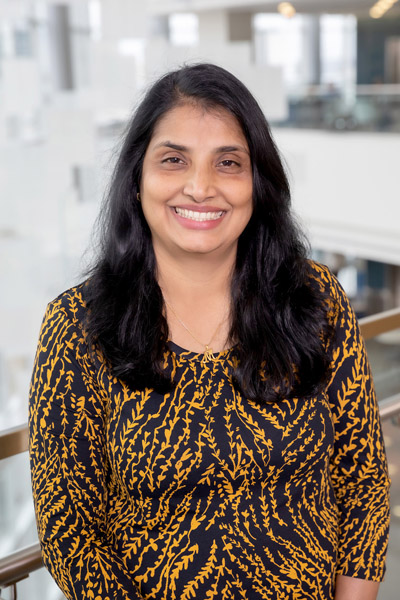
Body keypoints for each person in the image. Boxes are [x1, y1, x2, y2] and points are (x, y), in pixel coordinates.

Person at [29, 63, 390, 600]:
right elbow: (72, 534)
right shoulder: (77, 326)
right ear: (137, 180)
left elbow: (362, 483)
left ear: (257, 183)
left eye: (228, 163)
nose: (200, 188)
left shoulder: (314, 299)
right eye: (173, 160)